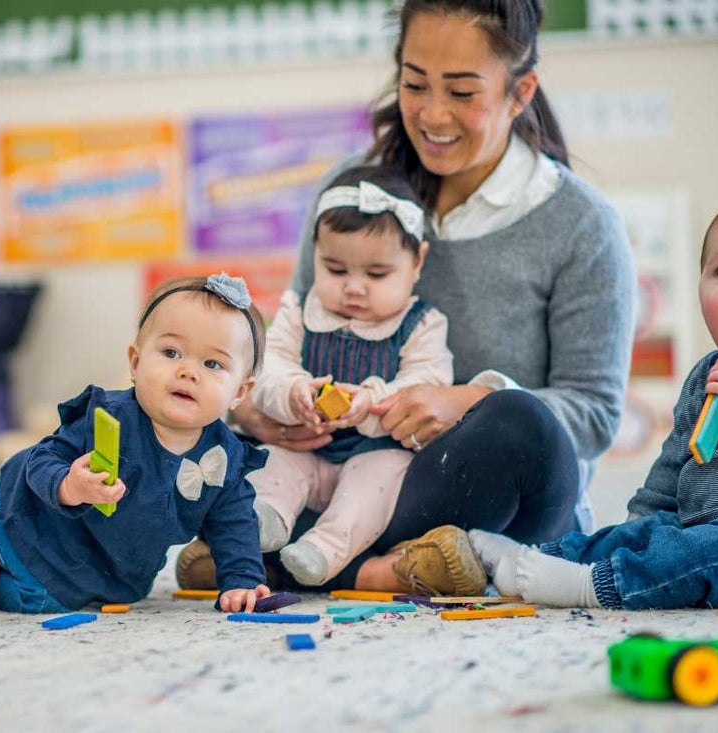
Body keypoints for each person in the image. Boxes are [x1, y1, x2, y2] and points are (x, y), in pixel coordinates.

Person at [177, 0, 636, 595]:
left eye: (463, 92)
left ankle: (268, 557)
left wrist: (467, 401)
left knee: (520, 425)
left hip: (474, 490)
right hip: (329, 467)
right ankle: (374, 566)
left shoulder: (581, 223)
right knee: (194, 405)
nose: (432, 114)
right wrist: (255, 408)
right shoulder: (352, 191)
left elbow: (595, 416)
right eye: (414, 85)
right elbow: (288, 335)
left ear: (521, 92)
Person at [471, 195, 718, 609]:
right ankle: (528, 560)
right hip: (695, 523)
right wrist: (643, 520)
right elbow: (675, 461)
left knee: (694, 554)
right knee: (633, 537)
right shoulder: (707, 373)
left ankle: (592, 586)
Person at [0, 275, 271, 614]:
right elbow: (44, 457)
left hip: (115, 563)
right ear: (135, 362)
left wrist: (242, 579)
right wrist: (69, 485)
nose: (188, 372)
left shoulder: (226, 458)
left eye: (213, 364)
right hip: (34, 525)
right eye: (171, 352)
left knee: (108, 597)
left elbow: (234, 522)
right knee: (36, 598)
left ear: (239, 392)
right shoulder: (109, 415)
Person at [249, 165, 453, 587]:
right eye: (336, 270)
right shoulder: (298, 309)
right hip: (306, 445)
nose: (354, 288)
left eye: (377, 274)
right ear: (315, 255)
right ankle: (263, 521)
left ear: (417, 262)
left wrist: (370, 401)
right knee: (272, 463)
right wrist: (293, 392)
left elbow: (428, 384)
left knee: (374, 488)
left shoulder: (422, 323)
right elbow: (269, 367)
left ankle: (322, 550)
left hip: (376, 451)